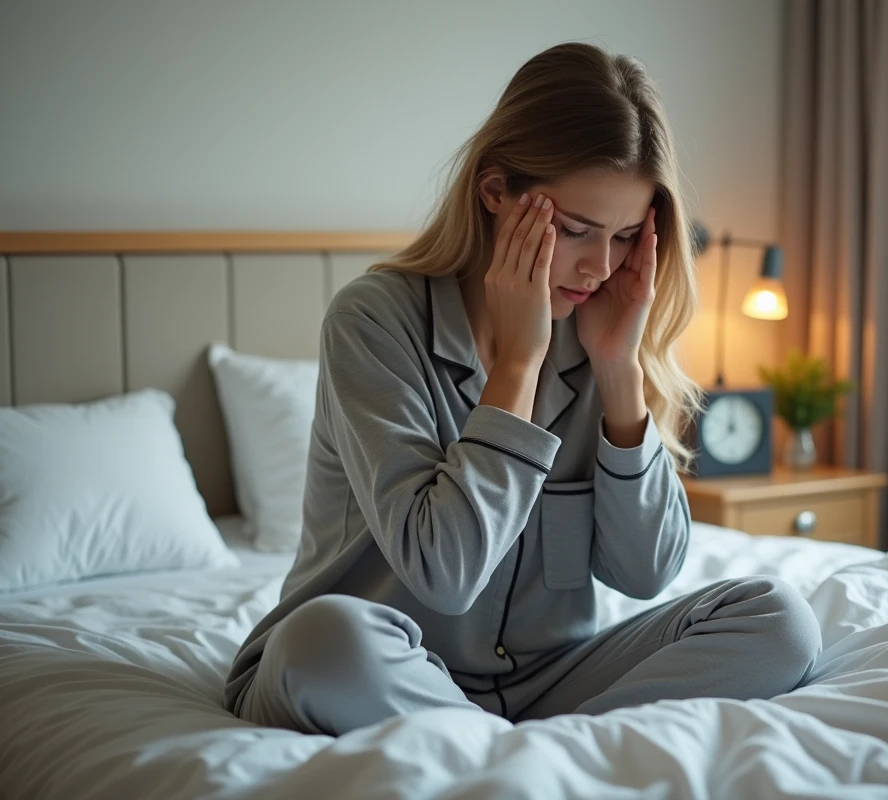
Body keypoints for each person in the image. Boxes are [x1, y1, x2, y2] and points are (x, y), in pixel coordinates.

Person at [223, 42, 821, 736]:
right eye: (576, 230)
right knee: (321, 644)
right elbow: (444, 573)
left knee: (779, 620)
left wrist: (619, 370)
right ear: (494, 192)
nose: (600, 268)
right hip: (385, 665)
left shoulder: (599, 326)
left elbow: (647, 573)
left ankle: (511, 748)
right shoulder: (374, 322)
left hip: (548, 680)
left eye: (626, 236)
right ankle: (530, 750)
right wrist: (518, 366)